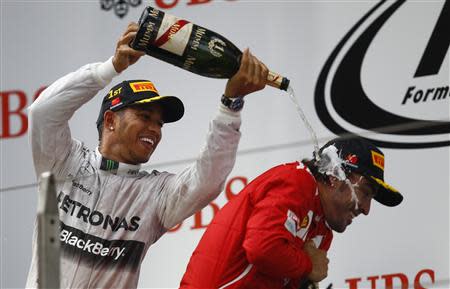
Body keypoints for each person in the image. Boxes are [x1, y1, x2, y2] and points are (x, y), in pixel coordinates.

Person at [26, 22, 269, 289]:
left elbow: (207, 180)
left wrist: (230, 107)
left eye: (160, 123)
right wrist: (111, 67)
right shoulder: (64, 162)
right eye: (144, 117)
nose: (154, 129)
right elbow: (43, 113)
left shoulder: (155, 194)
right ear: (110, 121)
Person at [180, 136, 404, 289]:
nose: (366, 209)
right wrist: (308, 265)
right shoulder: (298, 181)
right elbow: (261, 247)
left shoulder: (323, 229)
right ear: (335, 177)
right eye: (365, 193)